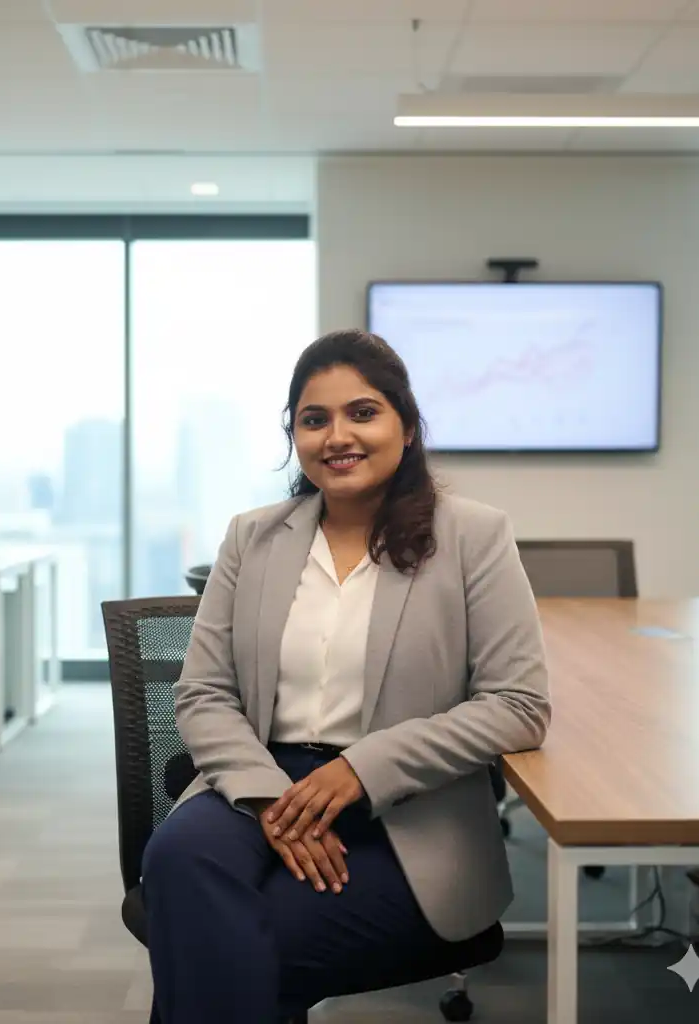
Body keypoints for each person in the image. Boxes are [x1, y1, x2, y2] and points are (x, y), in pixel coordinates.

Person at [141, 328, 551, 1023]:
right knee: (177, 857)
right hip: (259, 779)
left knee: (234, 948)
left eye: (362, 413)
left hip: (406, 809)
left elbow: (518, 704)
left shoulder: (472, 536)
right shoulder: (253, 537)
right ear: (294, 435)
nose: (337, 435)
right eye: (314, 418)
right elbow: (204, 692)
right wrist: (271, 799)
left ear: (407, 427)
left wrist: (362, 769)